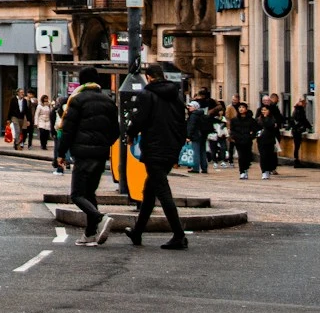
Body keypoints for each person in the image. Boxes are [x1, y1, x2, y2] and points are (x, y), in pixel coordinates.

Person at [125, 63, 189, 250]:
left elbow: (139, 119)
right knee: (149, 191)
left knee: (162, 191)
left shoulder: (147, 94)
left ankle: (179, 235)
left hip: (154, 148)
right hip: (171, 148)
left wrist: (130, 133)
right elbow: (181, 121)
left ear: (149, 77)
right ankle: (137, 232)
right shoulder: (176, 95)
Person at [56, 75, 120, 246]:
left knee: (77, 194)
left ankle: (101, 217)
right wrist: (103, 145)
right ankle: (90, 234)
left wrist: (61, 153)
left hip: (83, 154)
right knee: (90, 193)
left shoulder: (77, 100)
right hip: (100, 154)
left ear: (82, 82)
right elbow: (116, 131)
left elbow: (68, 130)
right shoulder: (109, 102)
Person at [184, 97, 211, 174]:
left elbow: (191, 127)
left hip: (196, 136)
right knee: (202, 151)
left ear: (195, 107)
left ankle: (195, 168)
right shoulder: (201, 114)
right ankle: (204, 167)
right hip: (203, 135)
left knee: (195, 152)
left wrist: (188, 136)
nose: (188, 108)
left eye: (190, 106)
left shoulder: (193, 115)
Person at [230, 102, 256, 178]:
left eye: (243, 107)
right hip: (238, 140)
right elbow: (232, 130)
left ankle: (246, 169)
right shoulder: (234, 120)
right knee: (241, 156)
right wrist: (234, 136)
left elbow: (255, 130)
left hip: (247, 140)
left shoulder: (251, 120)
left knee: (247, 155)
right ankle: (242, 171)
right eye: (239, 107)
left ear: (246, 109)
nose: (241, 109)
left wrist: (251, 136)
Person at [255, 103, 282, 179]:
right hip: (261, 140)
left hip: (270, 140)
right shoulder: (258, 119)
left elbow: (272, 127)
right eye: (262, 110)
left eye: (265, 110)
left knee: (269, 156)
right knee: (263, 156)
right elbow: (255, 128)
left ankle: (268, 169)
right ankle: (264, 171)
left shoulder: (272, 119)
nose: (263, 111)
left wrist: (267, 120)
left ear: (269, 111)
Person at [288, 99, 312, 167]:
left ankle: (296, 160)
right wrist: (309, 127)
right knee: (297, 146)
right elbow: (304, 120)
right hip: (297, 131)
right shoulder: (300, 111)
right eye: (305, 104)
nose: (305, 105)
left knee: (296, 146)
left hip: (295, 130)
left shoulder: (296, 110)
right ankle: (296, 161)